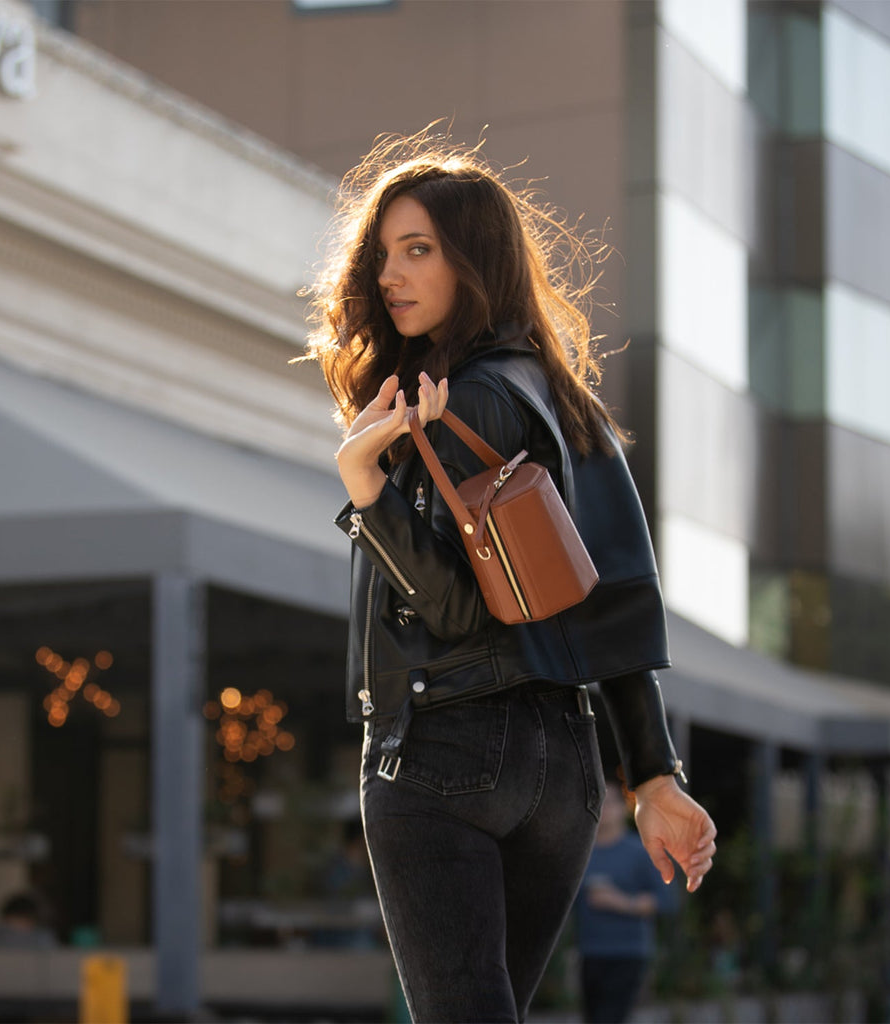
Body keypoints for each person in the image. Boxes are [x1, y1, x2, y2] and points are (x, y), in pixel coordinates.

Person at [304, 126, 716, 1024]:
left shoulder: (451, 402)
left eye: (419, 251)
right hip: (563, 775)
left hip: (444, 749)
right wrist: (651, 774)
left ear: (474, 260)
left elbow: (450, 610)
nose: (390, 275)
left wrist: (365, 484)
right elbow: (617, 598)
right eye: (383, 254)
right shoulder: (566, 401)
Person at [576, 780, 674, 1023]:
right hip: (590, 952)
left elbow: (665, 900)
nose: (603, 809)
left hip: (627, 953)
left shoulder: (640, 851)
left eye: (609, 803)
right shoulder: (579, 853)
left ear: (624, 808)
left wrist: (619, 902)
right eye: (598, 802)